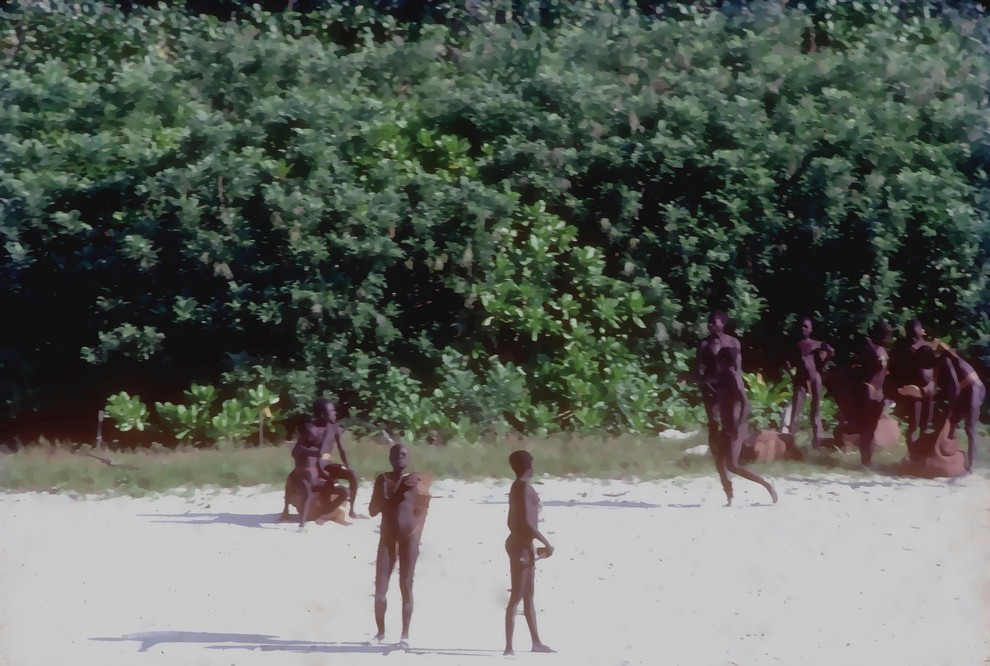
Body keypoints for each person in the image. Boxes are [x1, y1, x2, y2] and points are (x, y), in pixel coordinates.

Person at [369, 443, 430, 648]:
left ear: (409, 458)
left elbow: (422, 508)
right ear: (389, 457)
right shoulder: (383, 480)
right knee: (380, 588)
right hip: (387, 537)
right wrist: (397, 491)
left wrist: (417, 532)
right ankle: (380, 632)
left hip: (408, 539)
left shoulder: (415, 480)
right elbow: (372, 510)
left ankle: (405, 635)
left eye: (404, 455)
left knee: (406, 585)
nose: (400, 458)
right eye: (396, 454)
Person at [704, 346, 777, 506]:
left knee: (733, 465)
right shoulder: (722, 376)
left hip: (736, 427)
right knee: (719, 463)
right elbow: (706, 378)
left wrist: (738, 426)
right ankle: (729, 496)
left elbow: (746, 404)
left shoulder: (734, 379)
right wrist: (687, 377)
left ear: (724, 362)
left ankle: (767, 486)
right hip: (727, 427)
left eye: (718, 360)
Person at [504, 450, 555, 656]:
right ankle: (508, 647)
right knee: (517, 595)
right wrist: (546, 543)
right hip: (521, 547)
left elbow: (510, 521)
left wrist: (525, 540)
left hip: (521, 544)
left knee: (528, 595)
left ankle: (536, 642)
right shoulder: (524, 488)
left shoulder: (516, 487)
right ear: (528, 466)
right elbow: (525, 522)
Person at [281, 400, 349, 529]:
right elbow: (296, 451)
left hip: (317, 474)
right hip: (306, 475)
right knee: (307, 492)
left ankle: (324, 514)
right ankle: (299, 521)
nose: (317, 437)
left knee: (344, 492)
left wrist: (331, 476)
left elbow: (322, 463)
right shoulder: (307, 437)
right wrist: (314, 452)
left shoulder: (327, 431)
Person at [933, 341, 985, 472]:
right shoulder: (952, 358)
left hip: (974, 390)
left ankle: (972, 465)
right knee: (952, 422)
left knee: (970, 428)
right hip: (969, 391)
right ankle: (953, 453)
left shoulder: (946, 359)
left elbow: (955, 386)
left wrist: (951, 406)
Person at [784, 316, 834, 447]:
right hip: (800, 380)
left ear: (811, 329)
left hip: (814, 378)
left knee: (815, 411)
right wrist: (792, 374)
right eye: (801, 326)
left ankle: (817, 440)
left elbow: (830, 351)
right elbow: (787, 361)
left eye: (806, 326)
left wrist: (824, 362)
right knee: (796, 411)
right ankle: (791, 443)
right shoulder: (796, 344)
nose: (803, 328)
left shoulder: (816, 344)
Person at [697, 311, 741, 452]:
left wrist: (736, 387)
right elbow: (700, 368)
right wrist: (708, 386)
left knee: (731, 420)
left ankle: (730, 452)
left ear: (723, 323)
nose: (710, 325)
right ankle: (716, 454)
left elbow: (738, 368)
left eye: (714, 322)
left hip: (729, 387)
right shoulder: (705, 344)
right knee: (714, 421)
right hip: (710, 387)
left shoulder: (734, 342)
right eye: (709, 321)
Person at [310, 399, 360, 520]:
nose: (335, 413)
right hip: (315, 466)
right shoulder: (311, 428)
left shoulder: (334, 428)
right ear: (322, 414)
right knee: (332, 485)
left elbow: (342, 449)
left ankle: (352, 508)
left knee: (352, 475)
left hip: (328, 465)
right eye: (331, 411)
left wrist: (348, 464)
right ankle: (326, 510)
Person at [893, 320, 936, 449]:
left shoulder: (928, 346)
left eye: (916, 331)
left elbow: (935, 367)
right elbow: (898, 367)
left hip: (928, 389)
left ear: (922, 332)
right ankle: (911, 450)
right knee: (913, 422)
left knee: (926, 423)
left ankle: (922, 449)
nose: (914, 335)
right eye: (911, 332)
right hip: (912, 389)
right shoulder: (901, 346)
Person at [855, 322, 893, 466]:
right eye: (884, 335)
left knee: (872, 429)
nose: (886, 339)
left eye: (888, 336)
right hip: (869, 389)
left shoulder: (882, 350)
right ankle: (865, 461)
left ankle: (868, 460)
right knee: (866, 428)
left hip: (880, 392)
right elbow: (861, 369)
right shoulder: (868, 348)